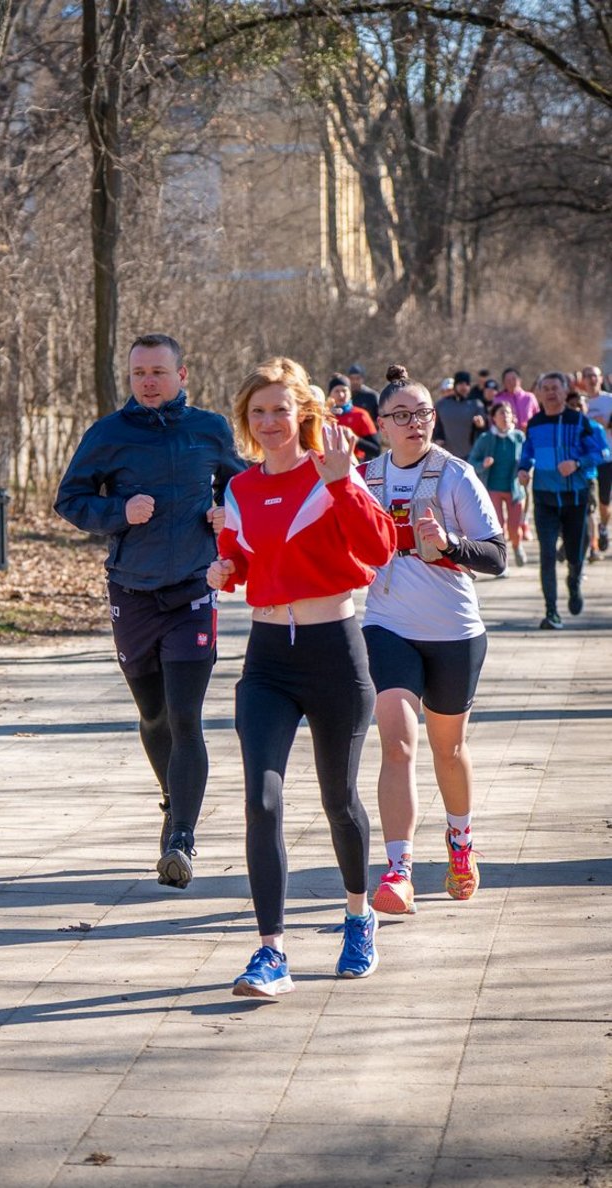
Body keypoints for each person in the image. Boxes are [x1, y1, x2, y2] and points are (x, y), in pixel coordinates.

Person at [207, 358, 396, 995]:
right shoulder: (239, 489)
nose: (269, 423)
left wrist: (344, 484)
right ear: (246, 420)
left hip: (334, 655)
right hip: (266, 659)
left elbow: (378, 551)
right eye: (257, 412)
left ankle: (357, 914)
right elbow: (240, 560)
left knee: (338, 801)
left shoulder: (333, 475)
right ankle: (270, 953)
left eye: (280, 411)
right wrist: (224, 569)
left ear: (304, 415)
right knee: (261, 800)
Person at [54, 333, 245, 888]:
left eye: (158, 372)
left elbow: (241, 489)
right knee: (154, 714)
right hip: (132, 592)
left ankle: (181, 838)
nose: (148, 382)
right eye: (139, 374)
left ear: (182, 375)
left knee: (185, 717)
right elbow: (70, 500)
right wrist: (119, 511)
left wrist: (223, 513)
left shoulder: (209, 429)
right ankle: (173, 797)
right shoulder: (108, 434)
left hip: (193, 588)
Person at [359, 365, 506, 917]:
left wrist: (448, 547)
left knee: (449, 749)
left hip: (454, 631)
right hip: (387, 624)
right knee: (397, 741)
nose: (416, 423)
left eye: (423, 413)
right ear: (383, 425)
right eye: (402, 415)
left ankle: (461, 843)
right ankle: (398, 869)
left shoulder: (454, 475)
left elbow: (496, 556)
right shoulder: (364, 478)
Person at [518, 372, 604, 629]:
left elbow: (602, 452)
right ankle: (551, 612)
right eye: (545, 388)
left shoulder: (579, 421)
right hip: (544, 498)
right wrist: (523, 470)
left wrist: (577, 462)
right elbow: (527, 453)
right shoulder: (534, 424)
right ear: (540, 394)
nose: (551, 392)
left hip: (574, 497)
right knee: (546, 555)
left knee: (576, 553)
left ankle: (575, 580)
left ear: (566, 391)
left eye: (555, 387)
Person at [468, 402, 527, 568]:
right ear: (493, 418)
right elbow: (472, 461)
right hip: (493, 488)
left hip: (515, 489)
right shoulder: (486, 439)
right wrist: (483, 465)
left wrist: (525, 470)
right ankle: (503, 562)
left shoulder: (519, 437)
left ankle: (517, 546)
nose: (505, 416)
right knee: (498, 528)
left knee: (515, 529)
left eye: (508, 413)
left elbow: (529, 459)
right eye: (501, 413)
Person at [579, 365, 612, 552]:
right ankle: (592, 541)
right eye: (588, 376)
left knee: (604, 501)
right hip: (585, 460)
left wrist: (604, 423)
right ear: (582, 380)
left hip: (607, 458)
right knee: (588, 503)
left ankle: (603, 527)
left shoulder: (609, 401)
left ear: (601, 379)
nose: (591, 379)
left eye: (595, 376)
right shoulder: (579, 402)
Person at [433, 371, 487, 460]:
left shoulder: (476, 405)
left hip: (471, 455)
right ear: (455, 386)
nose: (464, 387)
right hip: (447, 455)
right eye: (461, 383)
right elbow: (435, 425)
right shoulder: (441, 405)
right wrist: (437, 438)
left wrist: (480, 425)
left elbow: (484, 430)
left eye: (467, 384)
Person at [327, 373, 380, 460]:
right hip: (329, 465)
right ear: (330, 394)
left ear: (350, 393)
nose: (341, 395)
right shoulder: (324, 417)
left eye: (344, 390)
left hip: (356, 464)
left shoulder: (361, 415)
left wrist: (355, 439)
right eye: (337, 391)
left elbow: (376, 449)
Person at [495, 368, 539, 432]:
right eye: (508, 380)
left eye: (514, 379)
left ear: (520, 380)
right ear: (504, 383)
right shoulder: (498, 400)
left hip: (529, 435)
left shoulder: (529, 398)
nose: (511, 382)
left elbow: (537, 417)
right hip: (507, 437)